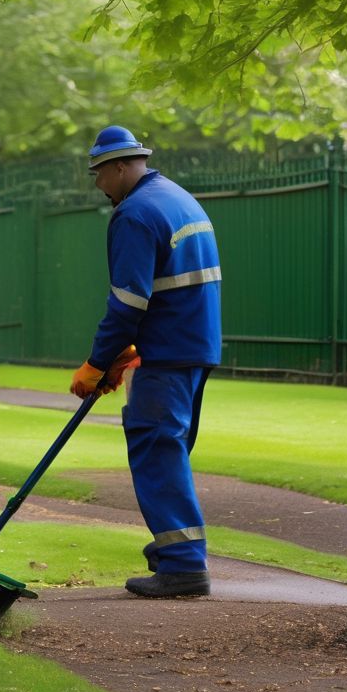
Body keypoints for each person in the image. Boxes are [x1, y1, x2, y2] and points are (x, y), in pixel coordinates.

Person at [70, 125, 222, 598]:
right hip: (194, 346)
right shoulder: (178, 198)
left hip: (168, 351)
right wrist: (126, 354)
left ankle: (182, 565)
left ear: (120, 166)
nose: (98, 184)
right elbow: (171, 286)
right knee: (171, 448)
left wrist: (97, 363)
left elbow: (127, 303)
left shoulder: (134, 214)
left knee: (157, 449)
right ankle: (172, 551)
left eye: (99, 173)